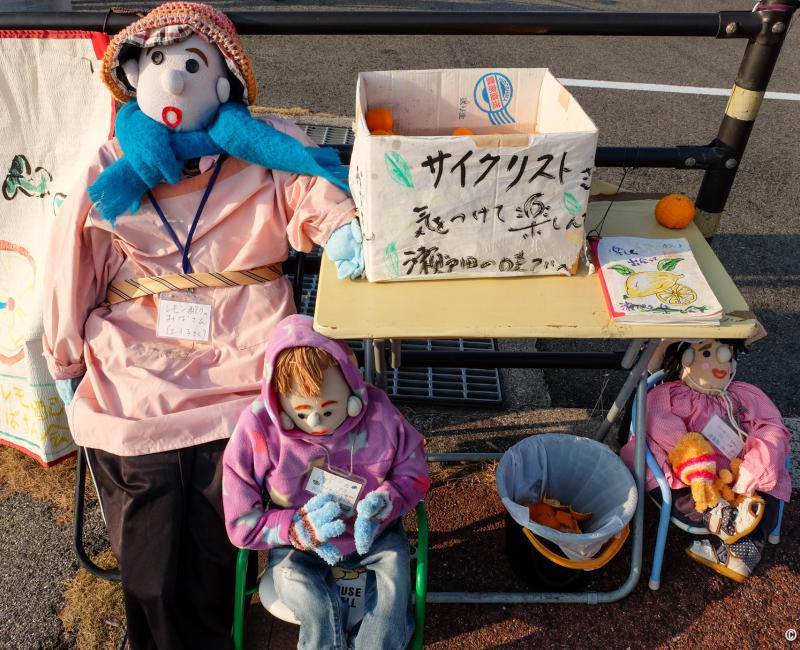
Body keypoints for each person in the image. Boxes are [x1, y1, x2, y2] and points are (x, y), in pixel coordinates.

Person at [41, 3, 363, 647]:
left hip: (245, 346)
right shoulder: (111, 161)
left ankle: (217, 620)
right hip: (138, 350)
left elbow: (315, 191)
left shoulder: (265, 147)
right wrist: (66, 354)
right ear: (135, 75)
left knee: (231, 485)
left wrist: (342, 228)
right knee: (151, 504)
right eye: (159, 64)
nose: (177, 80)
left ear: (226, 82)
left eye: (193, 63)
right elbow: (70, 259)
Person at [223, 314, 430, 650]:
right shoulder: (259, 428)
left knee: (392, 597)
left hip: (374, 534)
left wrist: (387, 500)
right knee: (300, 589)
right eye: (302, 413)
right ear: (281, 405)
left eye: (329, 409)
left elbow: (415, 471)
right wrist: (292, 528)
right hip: (299, 543)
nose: (317, 422)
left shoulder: (378, 413)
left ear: (352, 393)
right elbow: (239, 522)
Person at [621, 339, 791, 582]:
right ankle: (721, 518)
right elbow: (658, 423)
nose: (722, 362)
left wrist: (752, 470)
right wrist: (696, 459)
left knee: (770, 472)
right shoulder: (668, 393)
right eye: (708, 353)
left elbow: (772, 427)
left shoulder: (744, 394)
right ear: (685, 358)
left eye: (727, 354)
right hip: (693, 479)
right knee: (663, 468)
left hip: (742, 474)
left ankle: (743, 548)